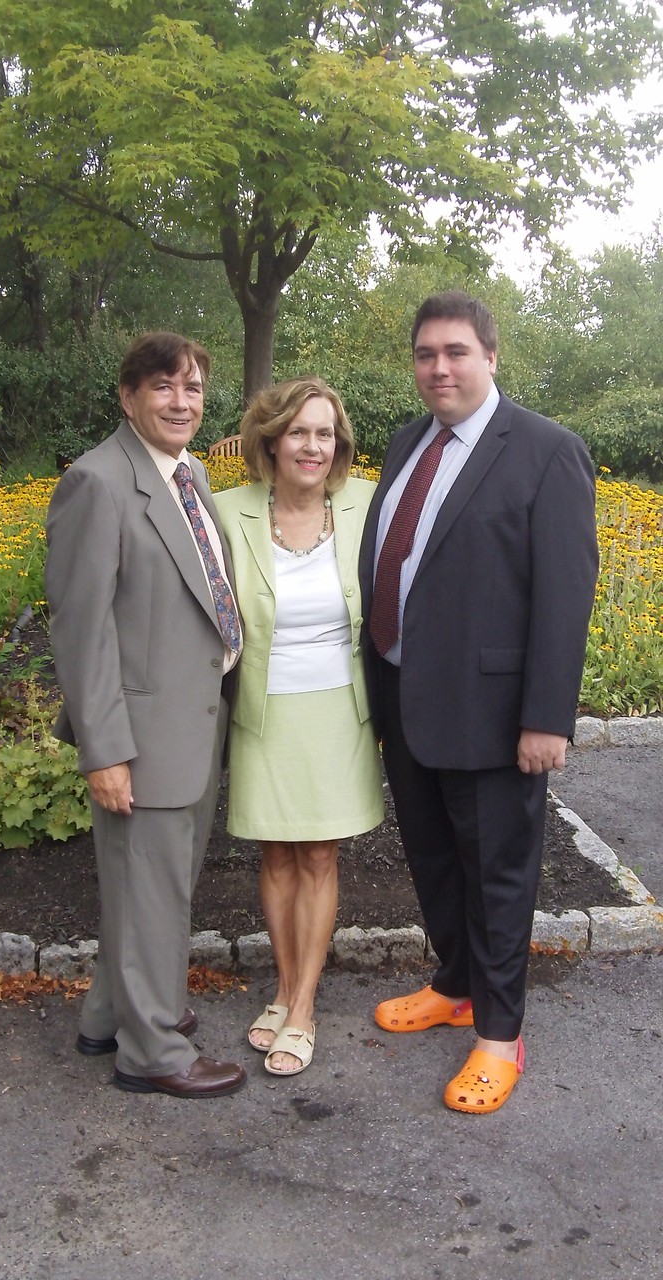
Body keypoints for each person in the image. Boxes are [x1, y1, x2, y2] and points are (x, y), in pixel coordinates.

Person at [359, 292, 599, 1113]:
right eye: (426, 354)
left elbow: (565, 598)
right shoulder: (405, 445)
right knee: (431, 860)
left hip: (498, 716)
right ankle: (455, 984)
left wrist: (546, 718)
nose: (439, 368)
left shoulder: (544, 451)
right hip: (407, 699)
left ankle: (500, 1036)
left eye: (456, 352)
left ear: (491, 357)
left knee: (498, 877)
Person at [45, 331, 247, 1099]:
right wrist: (103, 750)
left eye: (192, 387)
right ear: (128, 396)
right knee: (153, 891)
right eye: (163, 387)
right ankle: (153, 1050)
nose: (181, 401)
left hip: (196, 722)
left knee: (152, 888)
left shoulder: (186, 474)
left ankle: (109, 1014)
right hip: (140, 737)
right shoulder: (99, 481)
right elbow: (81, 626)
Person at [214, 376, 384, 1076]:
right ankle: (284, 990)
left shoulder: (368, 504)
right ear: (271, 440)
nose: (312, 445)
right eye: (299, 432)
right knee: (276, 857)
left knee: (319, 856)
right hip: (263, 712)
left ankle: (303, 1006)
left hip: (338, 713)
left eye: (325, 433)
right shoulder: (228, 513)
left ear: (337, 445)